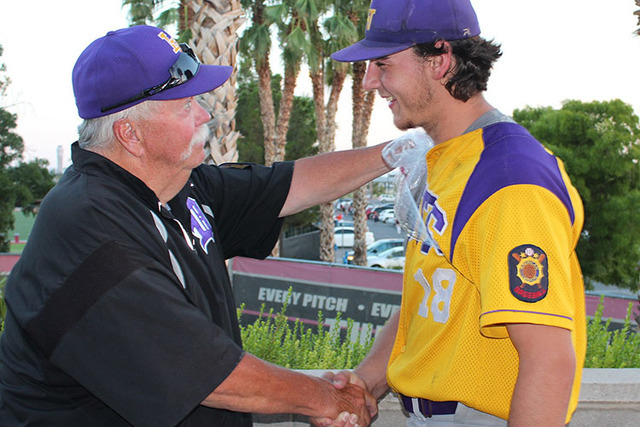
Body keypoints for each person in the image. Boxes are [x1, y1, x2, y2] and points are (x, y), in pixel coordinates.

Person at [0, 25, 388, 426]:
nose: (206, 114)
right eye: (185, 106)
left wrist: (402, 152)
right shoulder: (89, 228)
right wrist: (324, 398)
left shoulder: (178, 184)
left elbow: (294, 183)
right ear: (130, 134)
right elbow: (206, 375)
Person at [321, 0, 586, 426]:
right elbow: (431, 298)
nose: (370, 81)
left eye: (383, 64)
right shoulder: (442, 157)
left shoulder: (508, 178)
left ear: (440, 60)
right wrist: (368, 382)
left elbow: (549, 359)